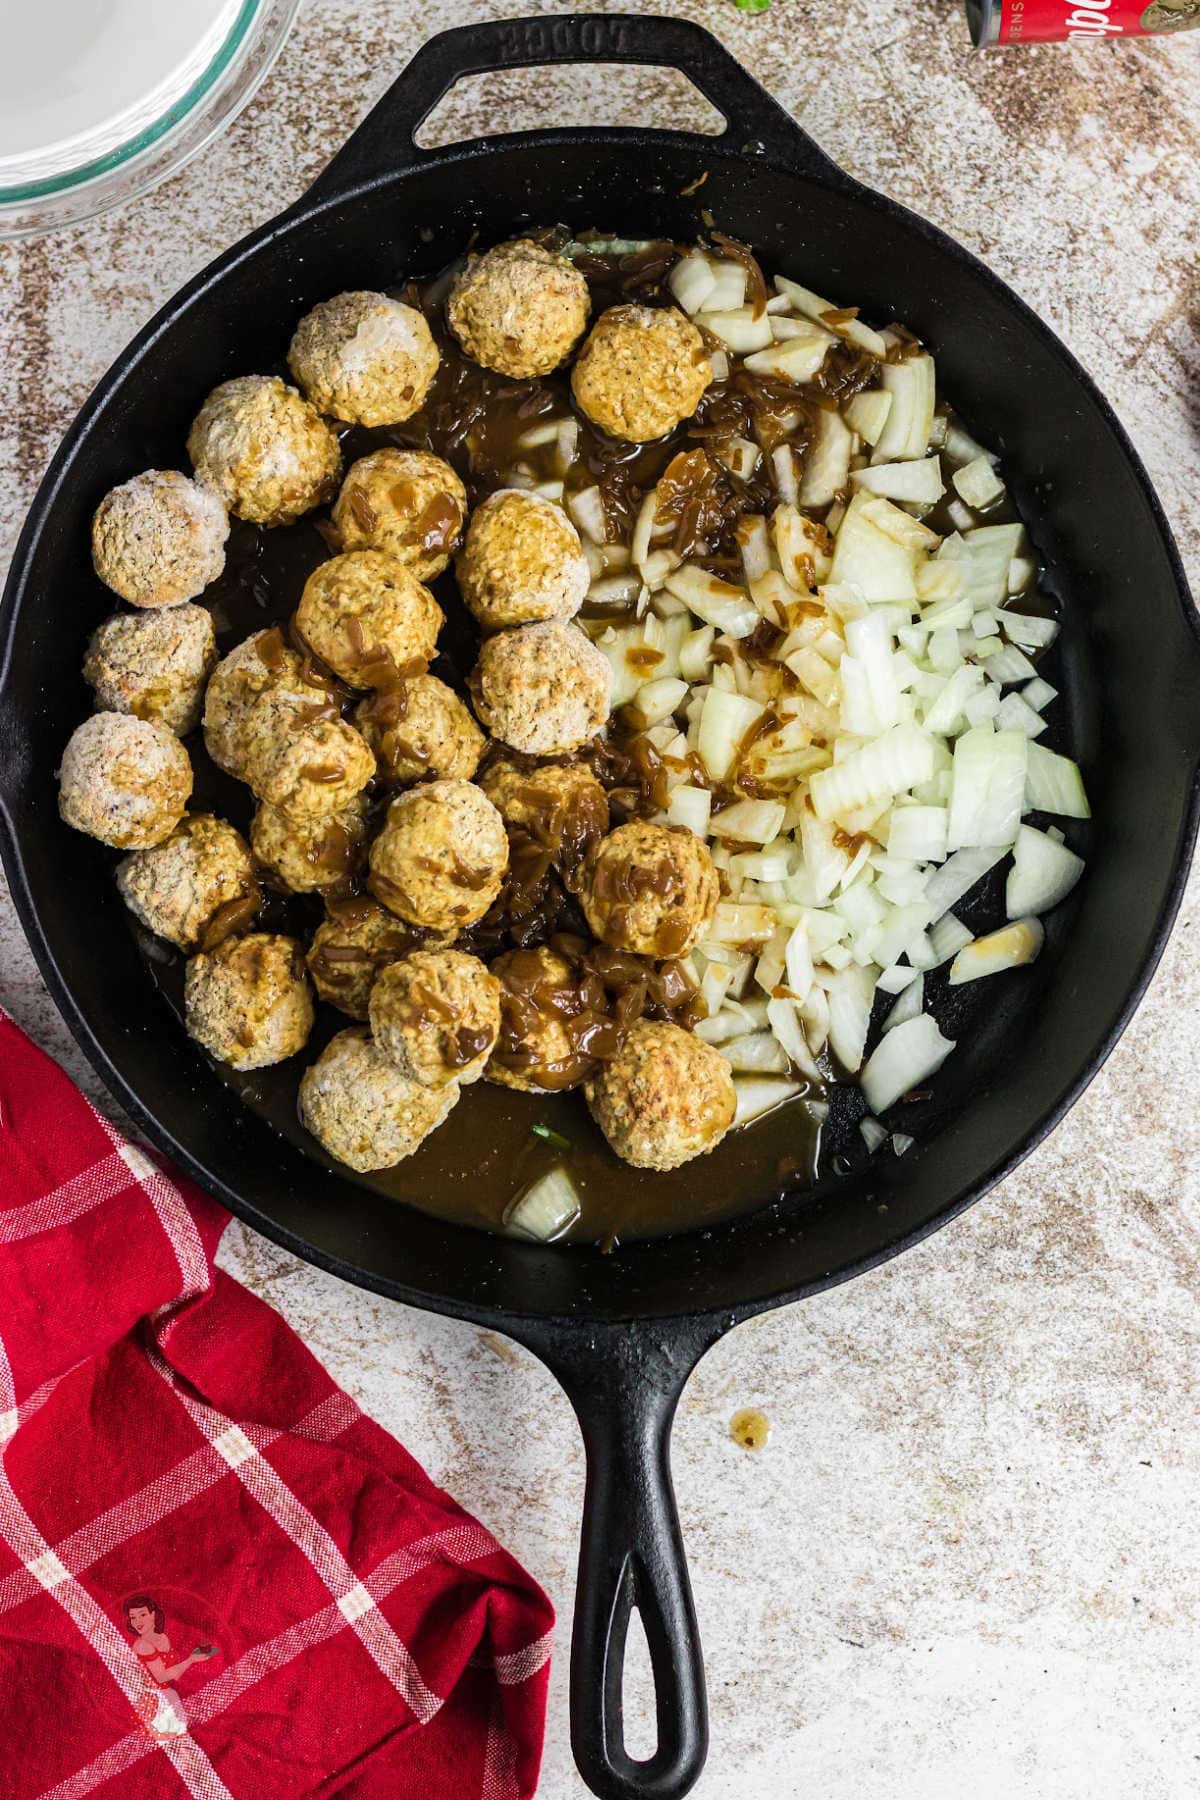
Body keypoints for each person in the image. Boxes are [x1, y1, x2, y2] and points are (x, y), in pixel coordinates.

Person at [122, 1594, 217, 1739]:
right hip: (154, 1702)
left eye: (142, 1614)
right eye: (133, 1617)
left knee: (180, 1737)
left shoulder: (162, 1637)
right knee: (170, 1739)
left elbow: (172, 1672)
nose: (138, 1621)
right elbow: (162, 1677)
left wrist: (192, 1659)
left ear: (153, 1614)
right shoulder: (142, 1646)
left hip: (169, 1695)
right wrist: (190, 1660)